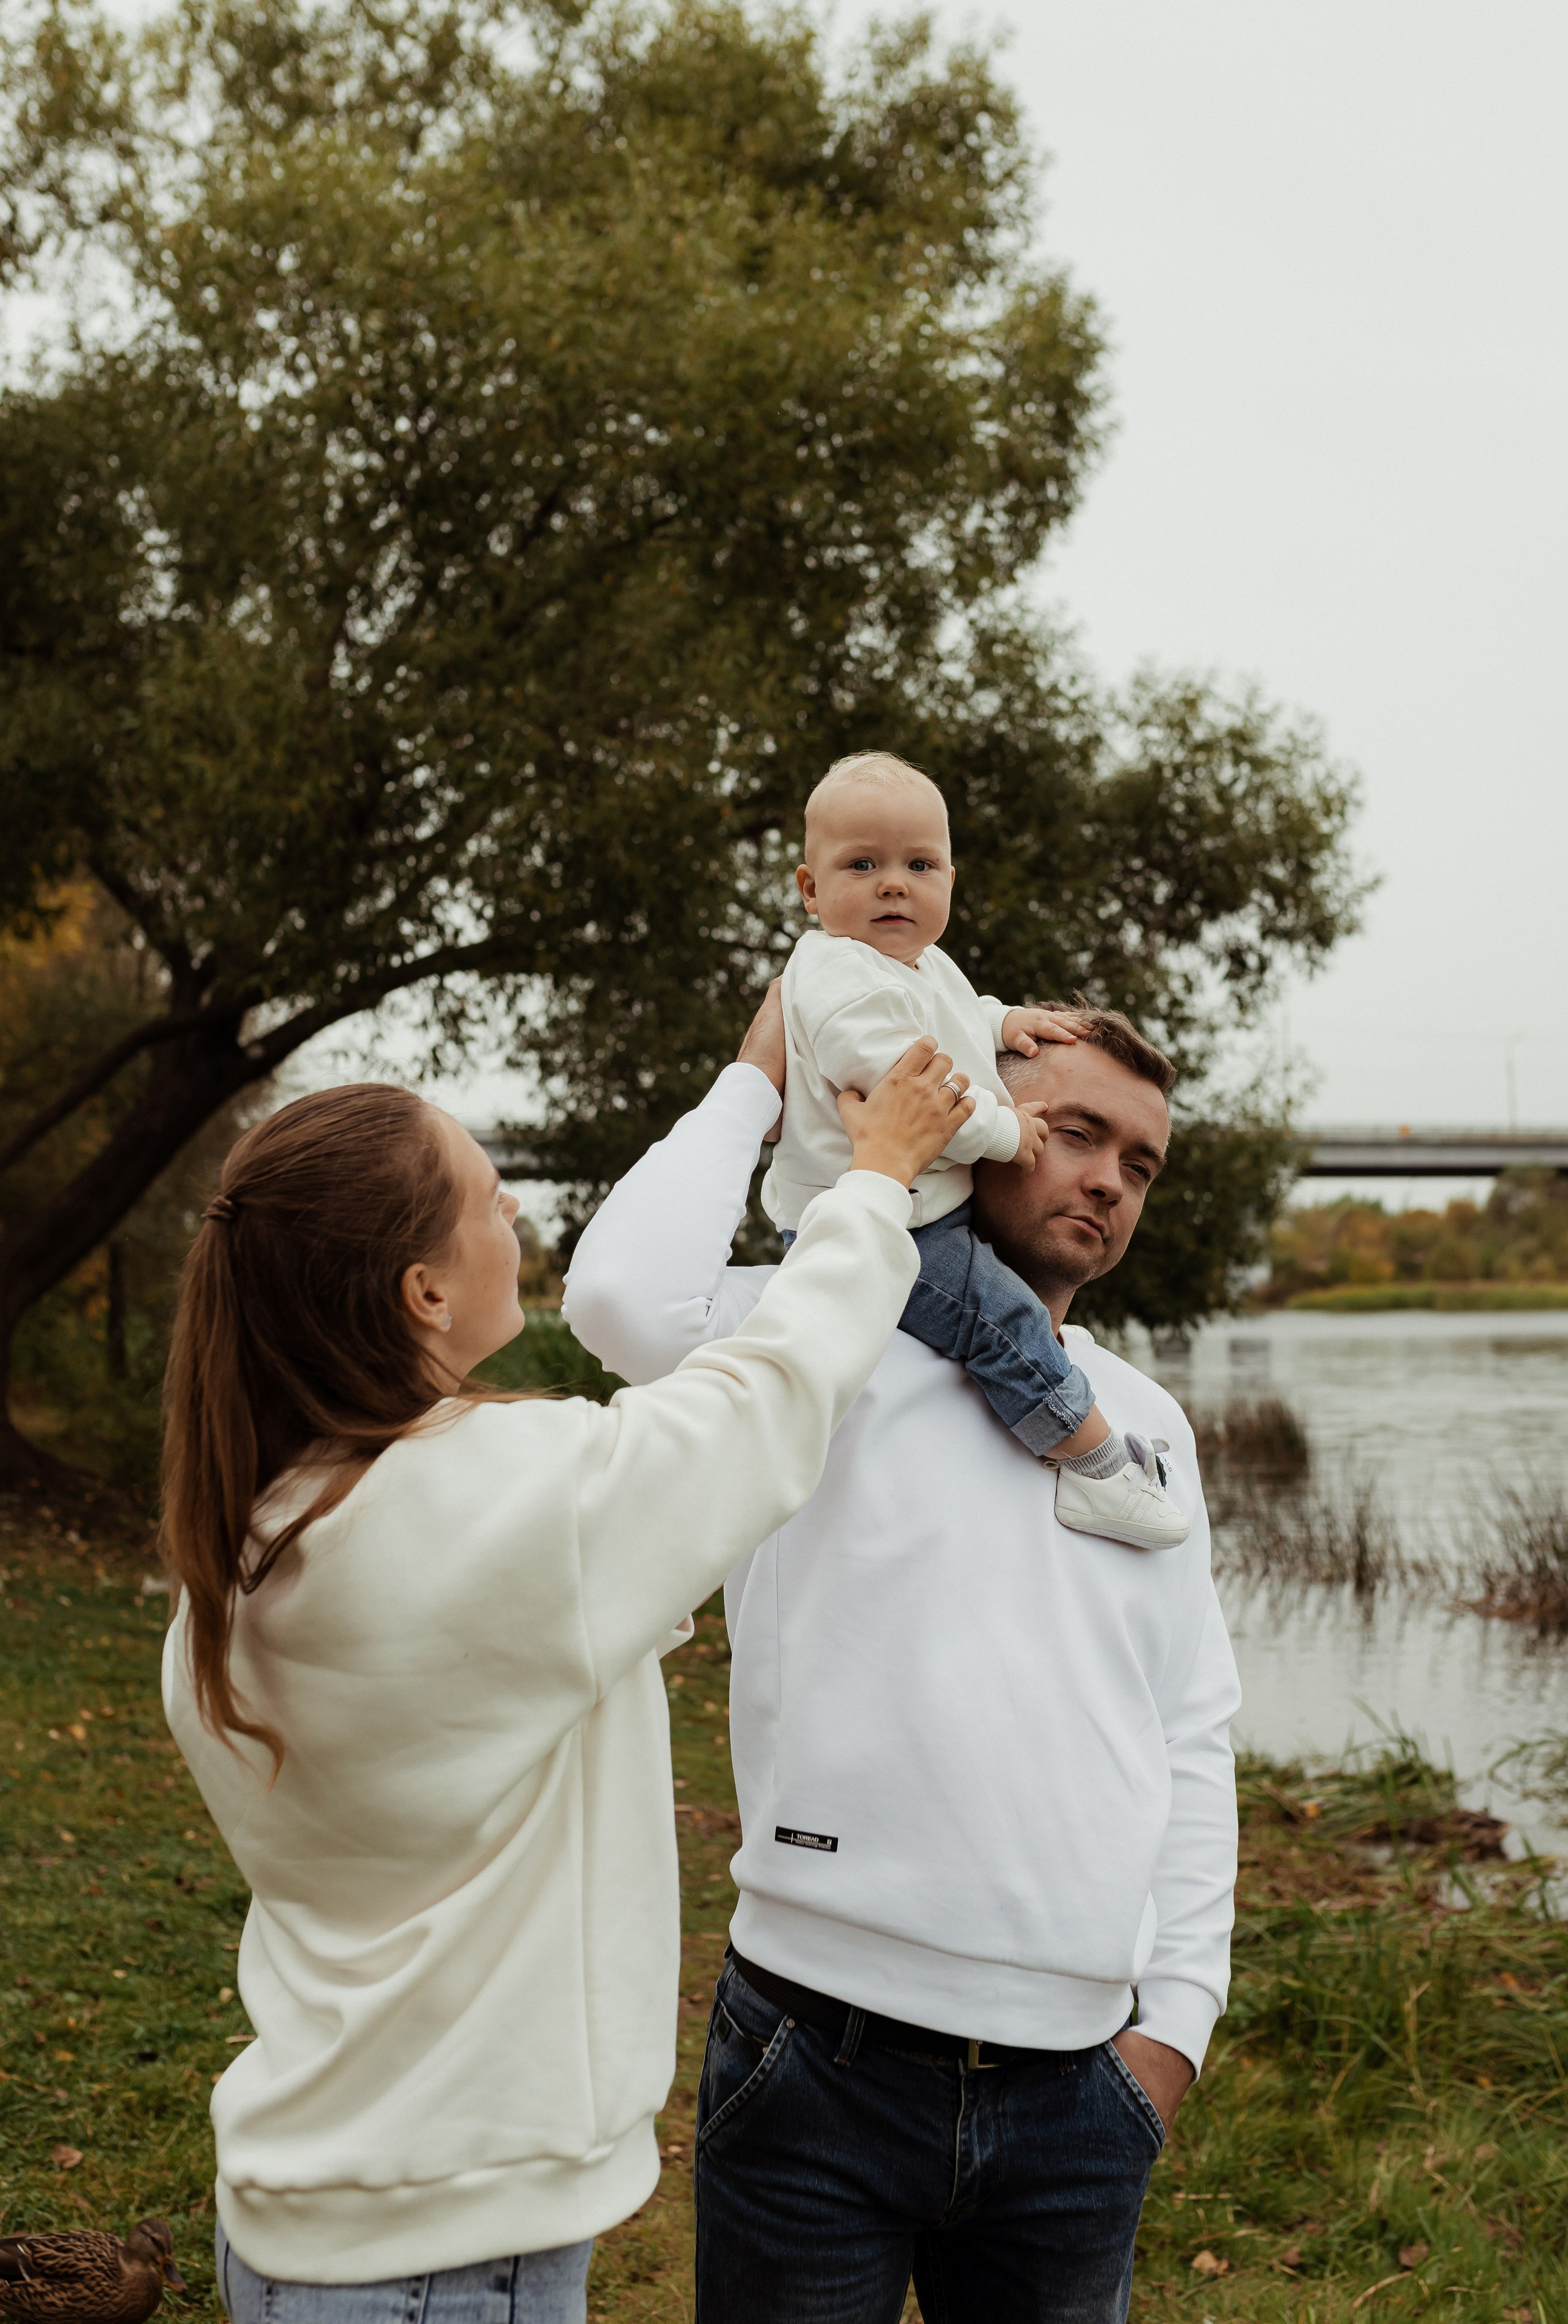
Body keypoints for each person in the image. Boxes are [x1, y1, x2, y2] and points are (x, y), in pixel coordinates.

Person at [158, 1045, 971, 2324]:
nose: (515, 1211)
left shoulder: (250, 1545)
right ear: (421, 1289)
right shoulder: (490, 1500)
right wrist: (872, 1179)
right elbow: (765, 1396)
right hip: (441, 2246)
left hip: (311, 2211)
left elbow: (523, 1647)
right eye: (488, 1196)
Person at [564, 988, 1242, 2324]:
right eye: (1074, 1132)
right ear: (975, 1123)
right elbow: (620, 1296)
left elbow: (1189, 1727)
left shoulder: (1148, 1419)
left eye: (1139, 1163)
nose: (1106, 1178)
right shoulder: (817, 1340)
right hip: (816, 2053)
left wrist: (1173, 2025)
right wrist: (782, 1029)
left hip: (1077, 2088)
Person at [766, 747, 1187, 1552]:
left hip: (916, 1211)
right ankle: (1091, 1460)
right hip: (892, 1227)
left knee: (1005, 1311)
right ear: (810, 888)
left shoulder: (917, 966)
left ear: (951, 881)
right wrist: (1007, 1129)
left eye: (919, 863)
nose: (894, 882)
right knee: (1001, 1319)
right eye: (864, 863)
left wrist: (1001, 1024)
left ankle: (1091, 1450)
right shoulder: (833, 976)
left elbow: (950, 1015)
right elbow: (914, 1090)